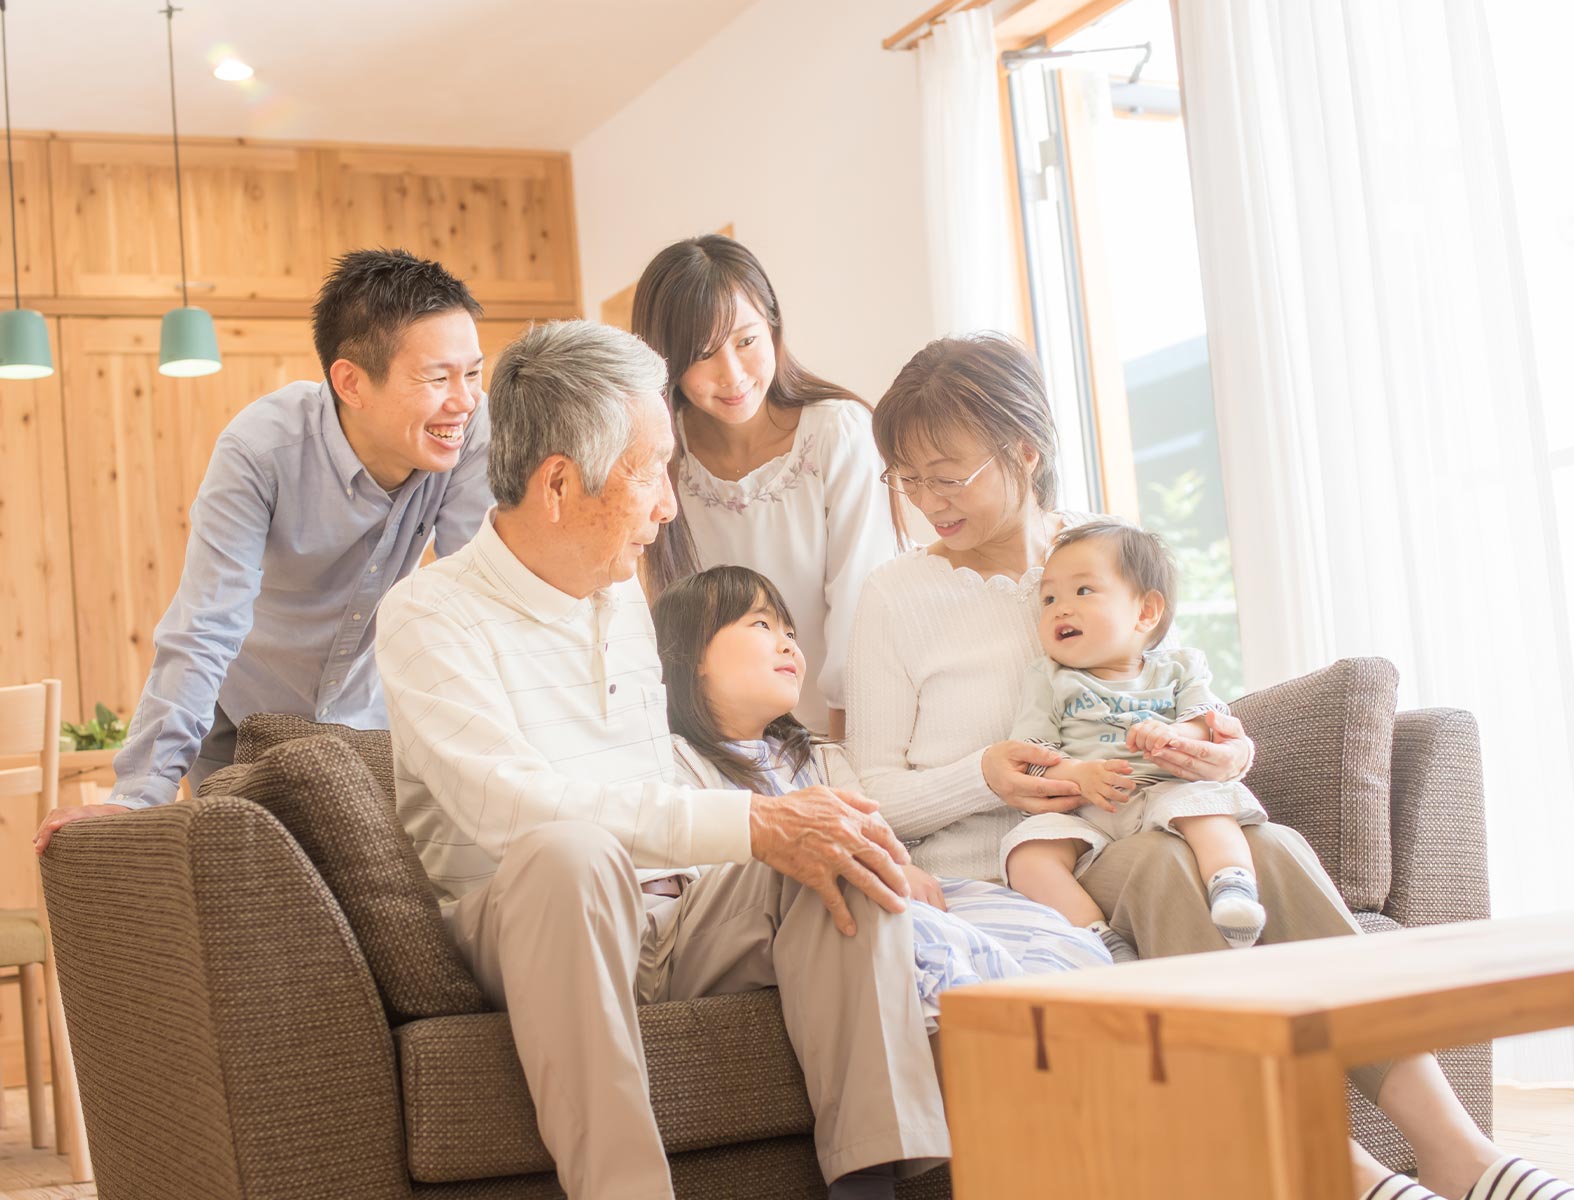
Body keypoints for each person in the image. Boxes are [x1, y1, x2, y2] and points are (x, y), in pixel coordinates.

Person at [844, 331, 1574, 1200]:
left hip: (1135, 812)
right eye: (907, 477)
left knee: (1269, 849)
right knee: (1171, 867)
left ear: (1023, 452)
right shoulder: (895, 596)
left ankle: (1461, 1151)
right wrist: (984, 773)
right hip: (1021, 871)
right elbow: (869, 797)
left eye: (949, 474)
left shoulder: (1098, 557)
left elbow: (1173, 691)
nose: (927, 499)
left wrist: (1227, 745)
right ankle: (1341, 1171)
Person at [374, 319, 947, 1200]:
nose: (669, 506)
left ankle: (883, 1182)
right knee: (572, 851)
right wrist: (750, 821)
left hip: (672, 911)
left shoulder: (621, 597)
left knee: (837, 847)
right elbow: (507, 806)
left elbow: (657, 780)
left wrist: (798, 816)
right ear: (559, 483)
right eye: (651, 472)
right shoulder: (429, 614)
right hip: (532, 917)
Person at [35, 248, 491, 852]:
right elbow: (205, 626)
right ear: (351, 381)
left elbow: (477, 597)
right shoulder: (259, 451)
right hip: (239, 724)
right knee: (252, 907)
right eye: (438, 378)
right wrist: (135, 797)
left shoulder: (463, 435)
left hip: (366, 718)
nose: (463, 400)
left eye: (473, 373)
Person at [652, 563, 1110, 1034]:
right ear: (694, 654)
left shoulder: (821, 759)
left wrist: (904, 867)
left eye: (790, 630)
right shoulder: (671, 761)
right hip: (783, 917)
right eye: (761, 625)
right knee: (932, 940)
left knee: (1041, 930)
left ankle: (1075, 1032)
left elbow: (879, 834)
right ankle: (1004, 1040)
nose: (789, 643)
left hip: (882, 894)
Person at [632, 234, 896, 738]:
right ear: (665, 362)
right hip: (724, 747)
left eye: (746, 341)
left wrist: (838, 753)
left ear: (773, 326)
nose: (731, 375)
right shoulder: (662, 456)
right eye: (702, 354)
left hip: (845, 731)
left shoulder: (836, 433)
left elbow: (861, 607)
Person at [1002, 520, 1269, 963]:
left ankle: (1233, 886)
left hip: (1166, 787)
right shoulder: (1047, 678)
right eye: (1049, 599)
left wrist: (1174, 735)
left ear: (1146, 612)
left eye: (1083, 591)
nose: (1060, 609)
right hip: (1086, 809)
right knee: (1026, 856)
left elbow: (1210, 724)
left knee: (1208, 807)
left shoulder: (1181, 667)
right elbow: (1031, 755)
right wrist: (1076, 775)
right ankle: (1098, 938)